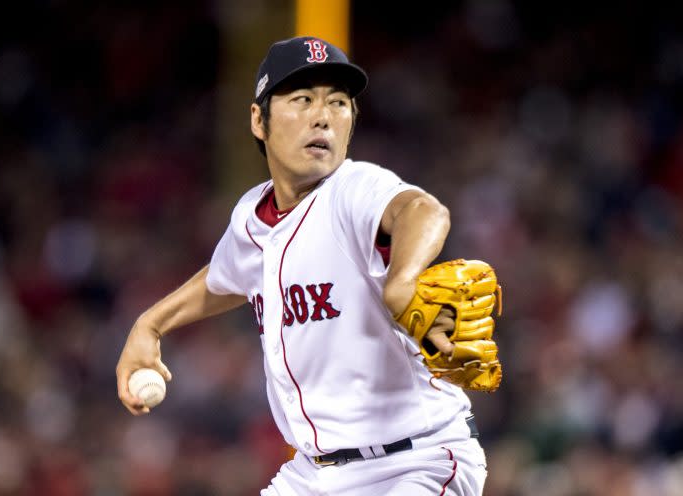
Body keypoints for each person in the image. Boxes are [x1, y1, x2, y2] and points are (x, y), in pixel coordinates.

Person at [116, 36, 487, 495]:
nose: (323, 116)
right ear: (259, 119)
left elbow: (424, 211)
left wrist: (403, 278)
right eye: (302, 100)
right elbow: (224, 278)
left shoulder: (353, 190)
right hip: (315, 475)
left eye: (338, 102)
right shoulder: (252, 217)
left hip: (416, 463)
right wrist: (149, 325)